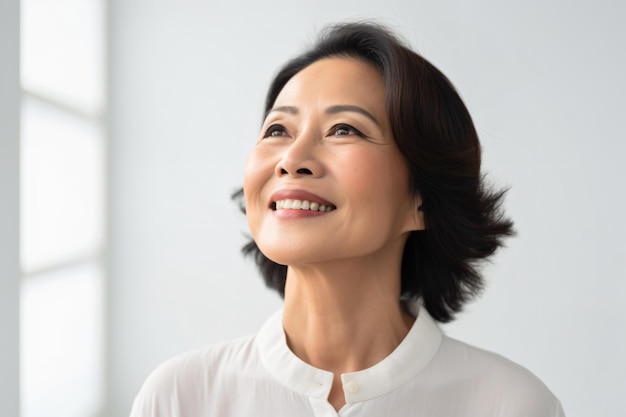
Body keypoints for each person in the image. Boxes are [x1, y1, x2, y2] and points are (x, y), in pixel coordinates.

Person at [129, 22, 565, 416]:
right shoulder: (180, 397)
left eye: (344, 130)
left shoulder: (513, 405)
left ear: (422, 199)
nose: (292, 159)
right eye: (277, 130)